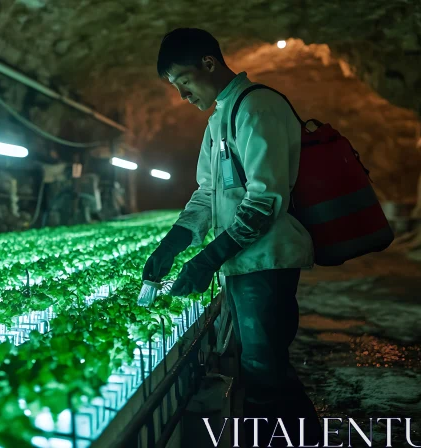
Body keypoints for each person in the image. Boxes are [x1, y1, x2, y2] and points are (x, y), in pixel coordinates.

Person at [142, 28, 323, 446]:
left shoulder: (257, 107)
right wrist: (173, 243)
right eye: (175, 88)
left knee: (266, 370)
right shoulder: (218, 120)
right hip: (242, 264)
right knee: (256, 369)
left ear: (208, 63)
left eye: (184, 81)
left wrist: (207, 258)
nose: (183, 95)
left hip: (267, 262)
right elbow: (207, 194)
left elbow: (265, 200)